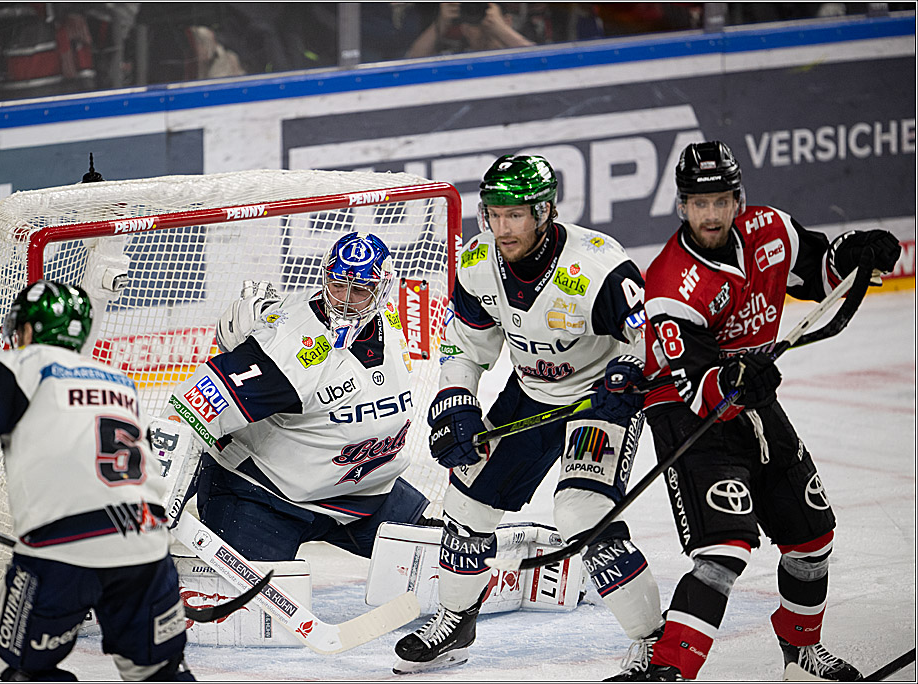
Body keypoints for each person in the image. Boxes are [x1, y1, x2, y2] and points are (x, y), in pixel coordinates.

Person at [392, 154, 665, 677]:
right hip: (531, 394)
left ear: (544, 213)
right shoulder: (477, 263)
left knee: (582, 514)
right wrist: (457, 400)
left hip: (595, 403)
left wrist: (627, 377)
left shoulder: (600, 266)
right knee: (466, 505)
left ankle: (653, 641)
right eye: (494, 214)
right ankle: (456, 618)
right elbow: (466, 348)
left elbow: (650, 339)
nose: (502, 227)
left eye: (515, 215)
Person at [639, 141, 902, 681]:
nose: (710, 214)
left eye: (720, 201)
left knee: (813, 538)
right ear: (682, 206)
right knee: (723, 552)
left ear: (738, 199)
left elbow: (819, 272)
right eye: (698, 202)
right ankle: (667, 669)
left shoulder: (771, 232)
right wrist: (734, 377)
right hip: (688, 414)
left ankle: (801, 653)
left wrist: (856, 253)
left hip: (755, 400)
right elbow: (695, 383)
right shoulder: (670, 284)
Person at [0, 280, 194, 682]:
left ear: (28, 329)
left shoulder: (12, 368)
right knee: (157, 670)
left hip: (62, 548)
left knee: (23, 667)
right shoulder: (117, 380)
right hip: (145, 544)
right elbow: (148, 471)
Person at [167, 232, 430, 563]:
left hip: (362, 495)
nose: (346, 300)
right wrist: (156, 498)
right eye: (337, 285)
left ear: (382, 290)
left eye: (360, 289)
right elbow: (189, 407)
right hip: (267, 497)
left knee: (447, 563)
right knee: (248, 610)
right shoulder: (288, 350)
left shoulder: (389, 319)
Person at [405, 3, 534, 58]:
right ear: (465, 29)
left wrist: (503, 31)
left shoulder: (519, 55)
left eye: (488, 15)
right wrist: (441, 23)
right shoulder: (456, 59)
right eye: (475, 21)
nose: (482, 25)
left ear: (507, 22)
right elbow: (412, 61)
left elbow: (544, 63)